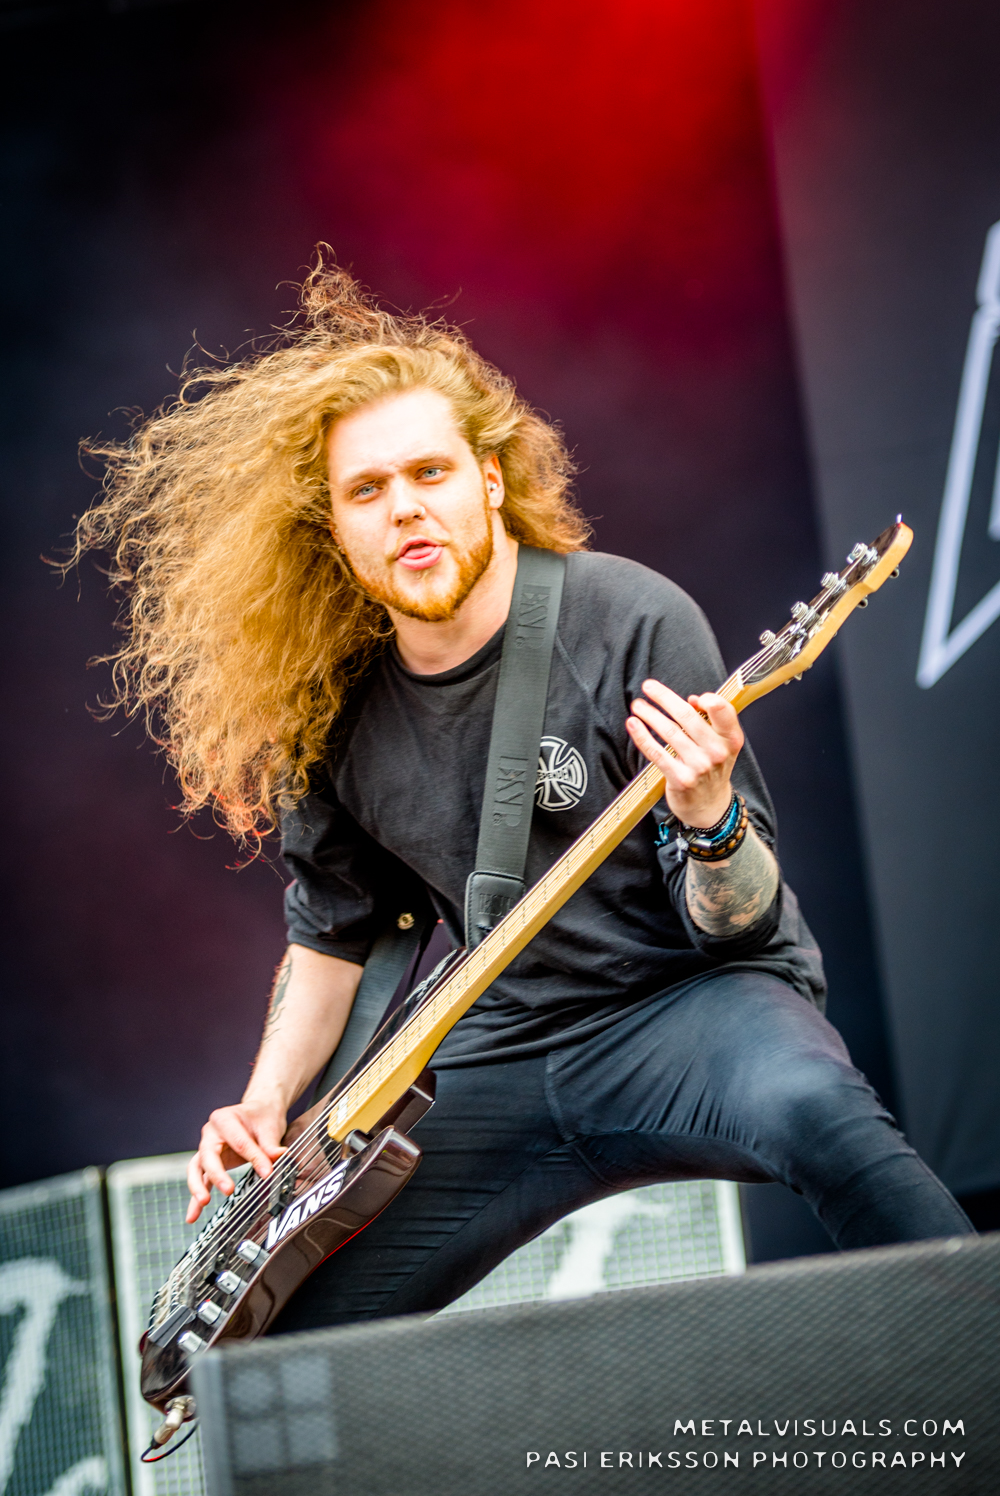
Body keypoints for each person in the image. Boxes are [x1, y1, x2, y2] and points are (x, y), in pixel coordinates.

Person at [75, 262, 972, 1331]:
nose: (406, 508)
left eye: (430, 472)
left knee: (819, 1111)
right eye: (367, 490)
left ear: (490, 481)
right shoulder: (328, 711)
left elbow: (734, 926)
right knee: (280, 1321)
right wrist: (264, 1103)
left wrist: (709, 815)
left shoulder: (630, 618)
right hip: (499, 1042)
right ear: (334, 527)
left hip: (687, 1008)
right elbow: (332, 935)